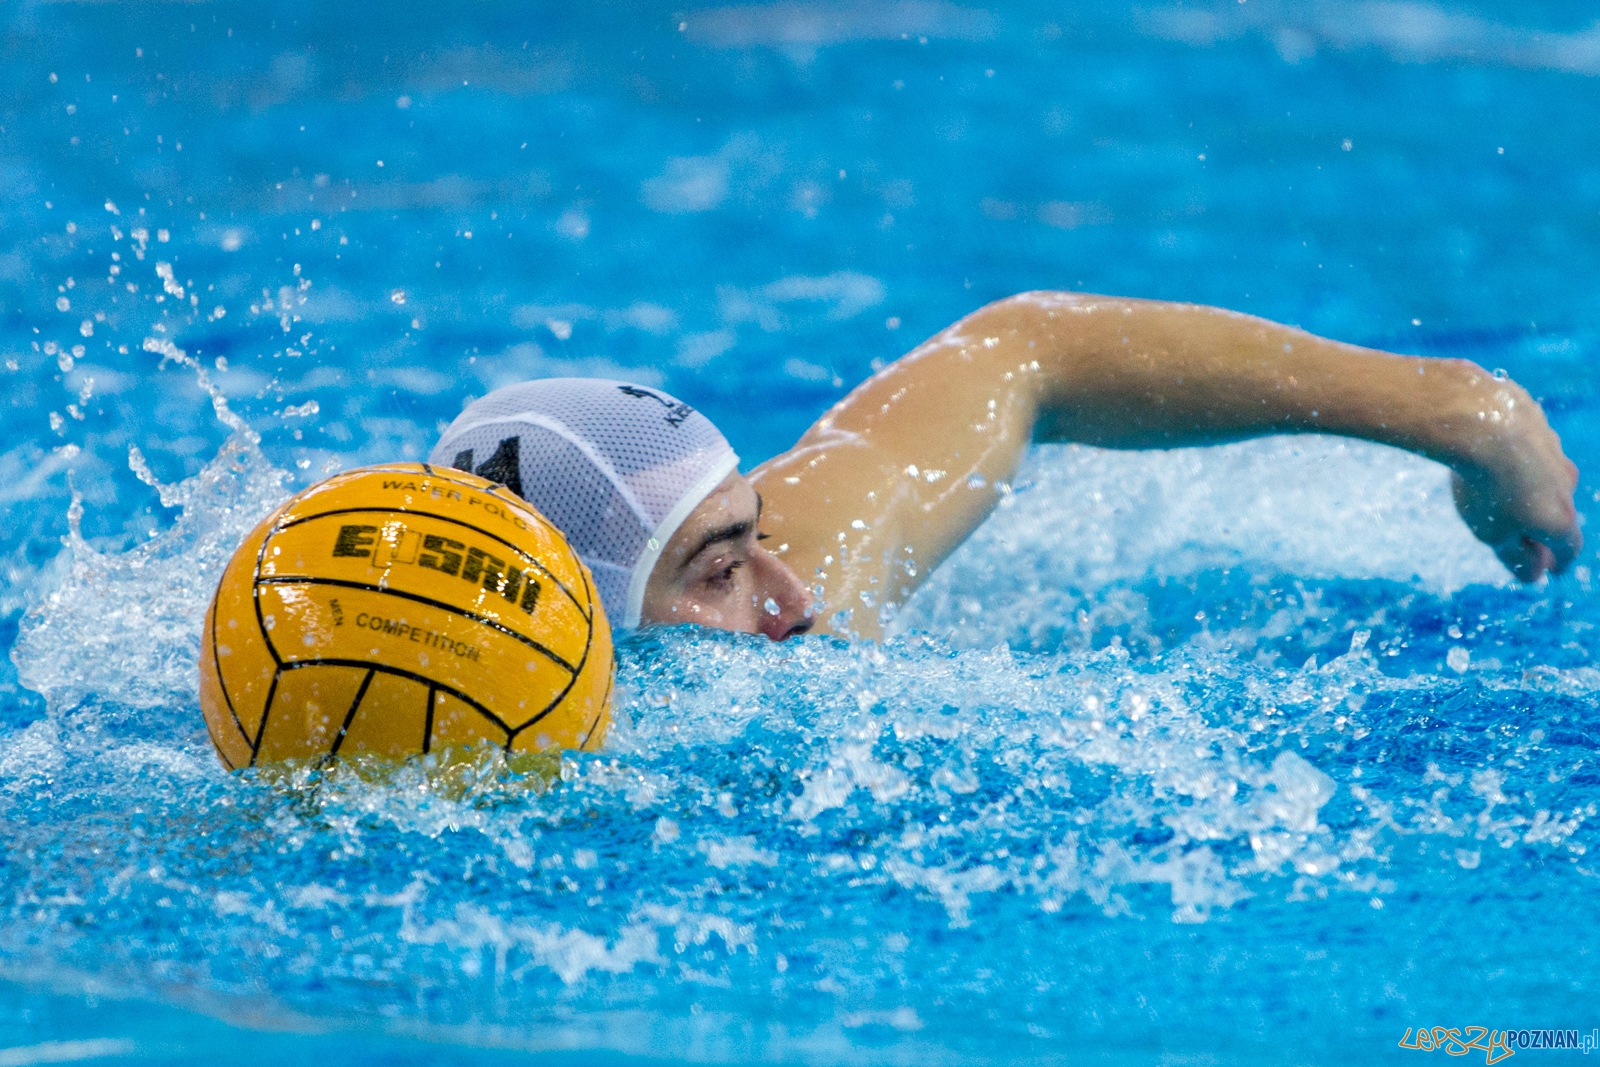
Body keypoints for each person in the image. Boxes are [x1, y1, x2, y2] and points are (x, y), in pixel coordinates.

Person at [430, 291, 1583, 643]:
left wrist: (1459, 409)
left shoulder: (805, 571)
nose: (792, 592)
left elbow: (1025, 347)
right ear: (568, 619)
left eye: (755, 533)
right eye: (716, 573)